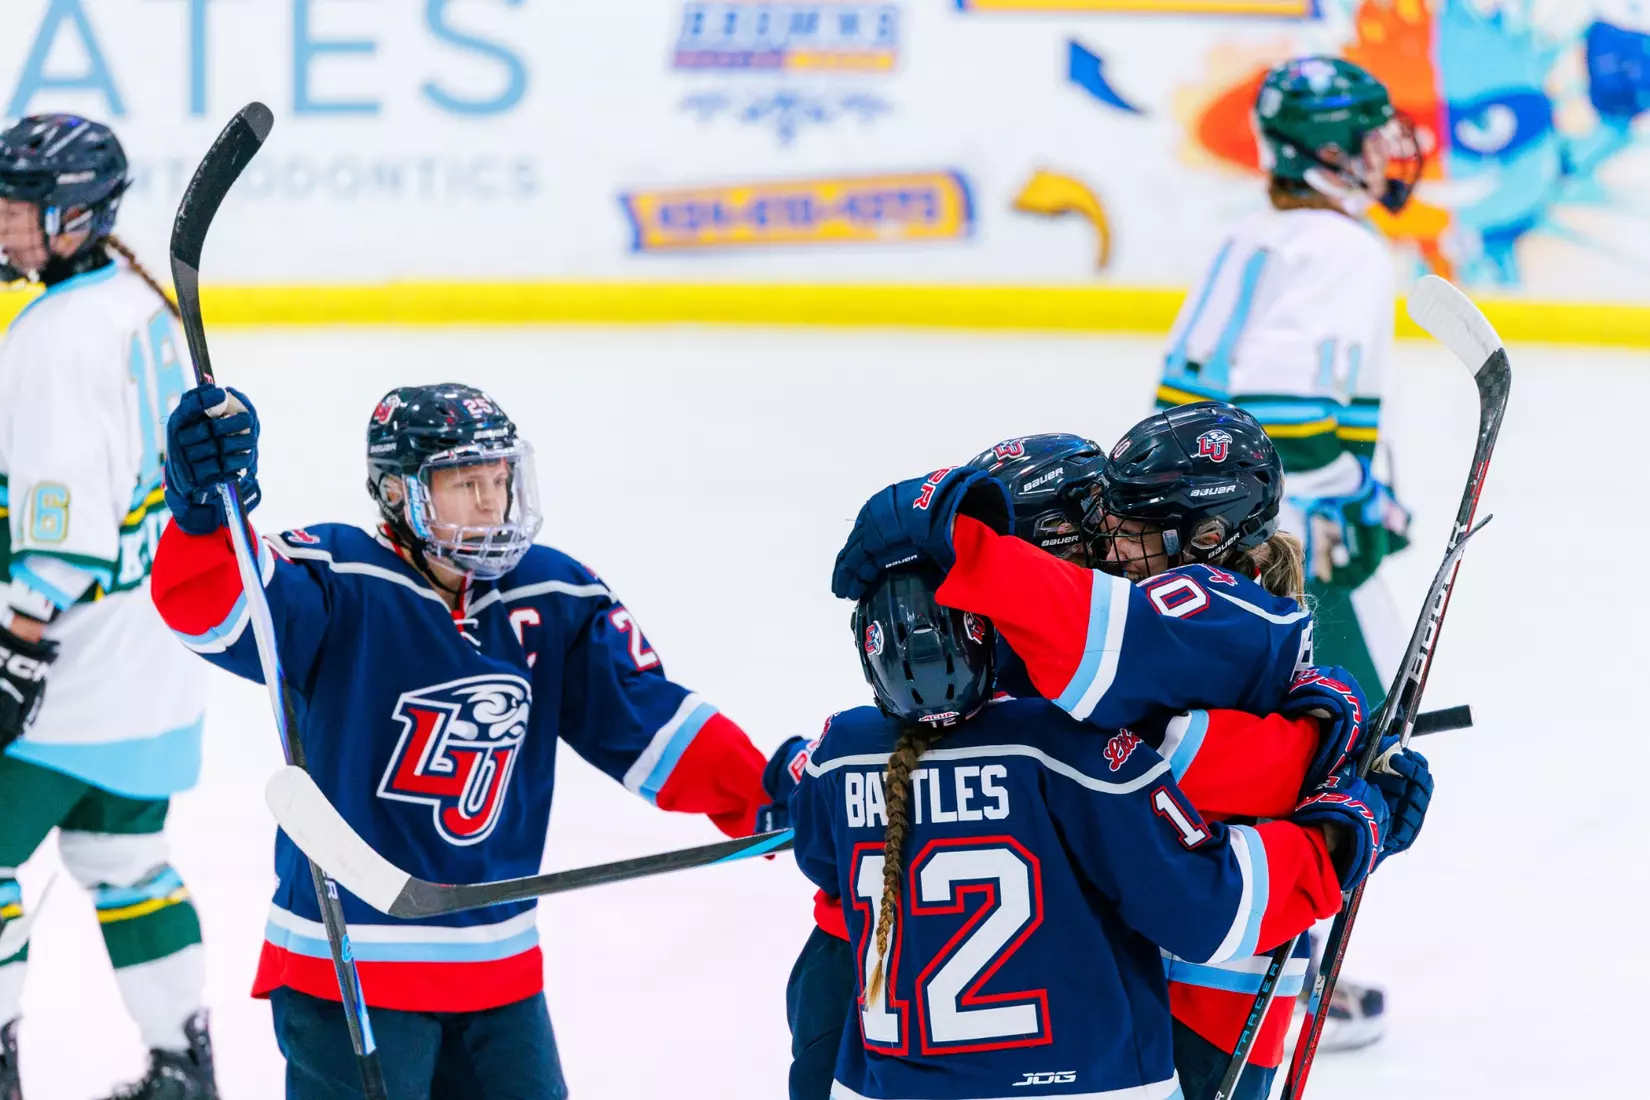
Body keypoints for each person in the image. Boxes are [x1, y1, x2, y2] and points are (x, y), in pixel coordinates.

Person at [149, 382, 786, 1099]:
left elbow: (646, 719)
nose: (490, 503)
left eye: (498, 480)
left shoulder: (553, 593)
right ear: (399, 492)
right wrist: (203, 516)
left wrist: (768, 787)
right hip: (349, 963)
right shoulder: (338, 577)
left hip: (498, 968)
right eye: (464, 484)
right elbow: (217, 615)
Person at [826, 403, 1433, 1096]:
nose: (1106, 543)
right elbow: (1178, 770)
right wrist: (1331, 778)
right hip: (1160, 985)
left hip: (1192, 987)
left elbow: (1136, 709)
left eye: (1116, 521)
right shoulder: (1043, 706)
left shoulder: (1181, 623)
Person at [787, 562, 1388, 1098]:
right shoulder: (1074, 745)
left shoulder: (838, 754)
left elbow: (821, 860)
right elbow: (1208, 908)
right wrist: (1339, 839)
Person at [1157, 55, 1424, 1050]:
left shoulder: (1252, 233)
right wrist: (1336, 498)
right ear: (1323, 149)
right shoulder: (1343, 252)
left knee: (1253, 749)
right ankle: (1294, 971)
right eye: (1365, 132)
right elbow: (1280, 402)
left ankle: (1256, 955)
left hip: (1213, 547)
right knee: (1349, 747)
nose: (1385, 151)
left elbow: (1184, 400)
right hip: (1289, 554)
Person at [0, 115, 215, 1100]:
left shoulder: (52, 335)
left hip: (68, 677)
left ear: (74, 214)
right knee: (125, 860)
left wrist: (16, 642)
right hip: (153, 667)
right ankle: (182, 1064)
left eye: (13, 209)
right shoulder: (144, 304)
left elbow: (62, 535)